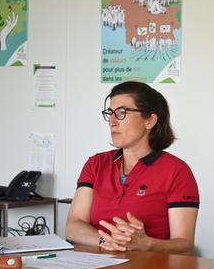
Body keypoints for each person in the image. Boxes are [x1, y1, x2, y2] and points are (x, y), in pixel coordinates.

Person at [66, 81, 199, 254]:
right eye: (110, 113)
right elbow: (73, 226)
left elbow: (185, 244)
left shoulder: (177, 171)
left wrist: (147, 244)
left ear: (150, 121)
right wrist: (108, 241)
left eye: (121, 113)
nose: (112, 122)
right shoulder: (96, 164)